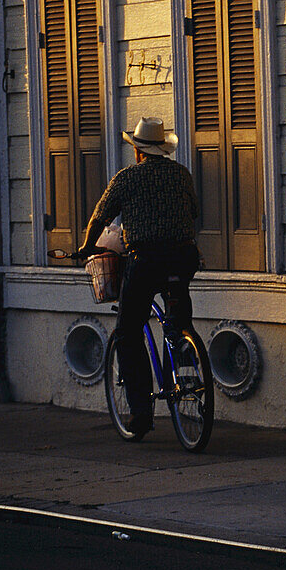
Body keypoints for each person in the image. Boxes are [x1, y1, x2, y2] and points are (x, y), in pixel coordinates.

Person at [78, 117, 200, 439]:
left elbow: (100, 217)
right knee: (177, 312)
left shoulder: (127, 178)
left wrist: (87, 247)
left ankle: (142, 414)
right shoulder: (181, 174)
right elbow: (194, 213)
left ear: (138, 152)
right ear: (162, 149)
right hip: (183, 257)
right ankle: (185, 354)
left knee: (127, 332)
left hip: (145, 261)